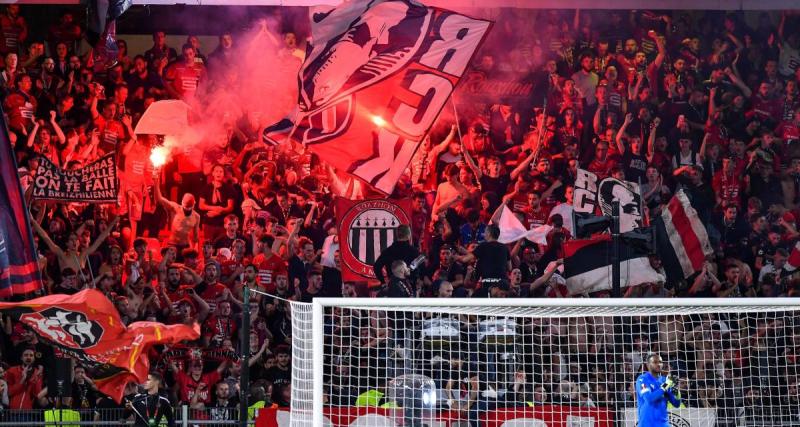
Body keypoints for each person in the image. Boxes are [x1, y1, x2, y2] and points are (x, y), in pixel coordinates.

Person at [635, 354, 680, 427]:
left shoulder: (665, 380)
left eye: (660, 362)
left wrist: (677, 392)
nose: (659, 364)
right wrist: (665, 386)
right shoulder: (642, 379)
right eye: (655, 362)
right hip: (647, 424)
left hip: (663, 424)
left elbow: (676, 404)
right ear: (648, 365)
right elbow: (649, 398)